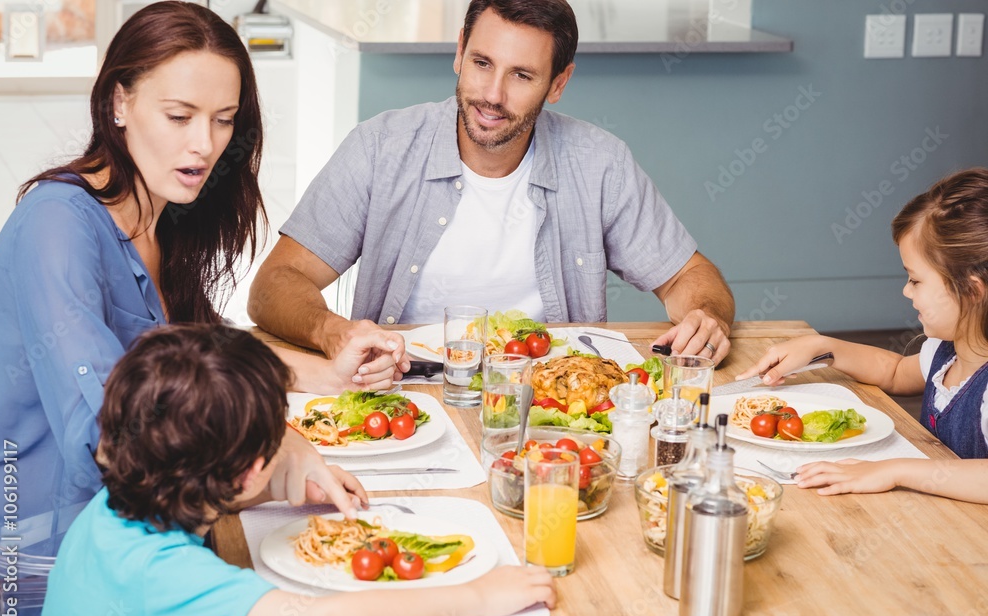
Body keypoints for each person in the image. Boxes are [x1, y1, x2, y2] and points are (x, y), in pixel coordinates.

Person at [0, 3, 383, 616]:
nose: (204, 143)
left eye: (223, 120)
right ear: (119, 102)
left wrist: (326, 370)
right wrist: (278, 447)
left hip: (150, 535)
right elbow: (111, 436)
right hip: (52, 557)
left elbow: (197, 359)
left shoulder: (157, 213)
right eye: (179, 117)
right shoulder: (57, 227)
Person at [248, 0, 735, 365]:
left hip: (551, 405)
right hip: (409, 392)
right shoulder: (380, 148)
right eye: (482, 63)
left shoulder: (599, 164)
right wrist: (333, 332)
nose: (493, 95)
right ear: (460, 52)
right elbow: (274, 286)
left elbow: (688, 277)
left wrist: (706, 316)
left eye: (522, 75)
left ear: (558, 84)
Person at [36, 324, 557, 616]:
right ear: (248, 472)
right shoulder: (164, 573)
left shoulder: (125, 500)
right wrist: (478, 596)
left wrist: (272, 490)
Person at [736, 168, 988, 503]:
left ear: (971, 291)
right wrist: (824, 348)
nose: (906, 291)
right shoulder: (948, 353)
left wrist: (895, 470)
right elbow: (895, 372)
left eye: (915, 280)